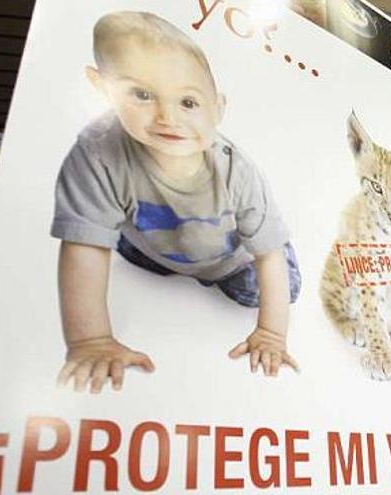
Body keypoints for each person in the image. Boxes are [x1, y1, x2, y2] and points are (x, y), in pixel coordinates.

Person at [50, 11, 301, 393]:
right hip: (155, 244)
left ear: (217, 109)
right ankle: (167, 258)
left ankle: (243, 247)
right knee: (107, 237)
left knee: (277, 282)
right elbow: (83, 247)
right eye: (142, 94)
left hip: (228, 258)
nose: (168, 117)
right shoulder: (97, 153)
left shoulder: (237, 171)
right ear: (102, 88)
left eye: (187, 102)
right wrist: (90, 341)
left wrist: (271, 334)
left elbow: (267, 256)